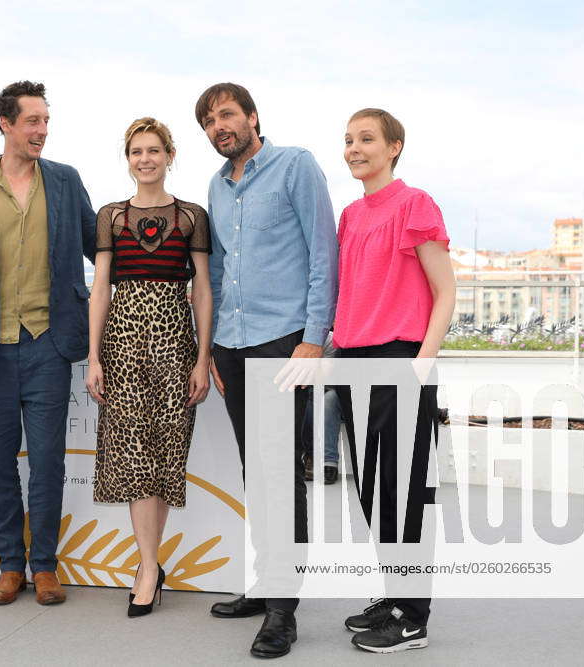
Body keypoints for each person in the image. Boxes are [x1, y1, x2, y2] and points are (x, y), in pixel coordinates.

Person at [195, 82, 338, 659]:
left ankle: (283, 610)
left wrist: (312, 339)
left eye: (226, 114)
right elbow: (221, 269)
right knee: (259, 472)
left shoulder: (295, 166)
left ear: (253, 117)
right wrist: (212, 348)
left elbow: (323, 253)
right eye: (208, 120)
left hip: (284, 343)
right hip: (233, 343)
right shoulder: (216, 185)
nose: (218, 126)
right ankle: (268, 582)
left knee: (280, 474)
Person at [0, 81, 96, 606]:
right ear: (6, 124)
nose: (42, 131)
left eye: (46, 121)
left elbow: (99, 246)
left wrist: (157, 275)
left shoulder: (64, 180)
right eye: (33, 121)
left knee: (49, 462)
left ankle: (45, 566)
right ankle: (10, 565)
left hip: (49, 345)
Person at [332, 108, 455, 653]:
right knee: (373, 490)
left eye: (366, 139)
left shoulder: (415, 205)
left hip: (400, 359)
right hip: (353, 362)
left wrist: (421, 363)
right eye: (348, 141)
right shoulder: (351, 216)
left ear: (394, 146)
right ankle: (395, 594)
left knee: (404, 491)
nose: (354, 149)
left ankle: (414, 617)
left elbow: (445, 292)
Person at [85, 117, 213, 618]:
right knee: (135, 458)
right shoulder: (111, 217)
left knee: (164, 456)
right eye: (136, 151)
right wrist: (94, 357)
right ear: (128, 158)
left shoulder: (191, 217)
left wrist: (202, 358)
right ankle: (147, 568)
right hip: (122, 343)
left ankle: (149, 566)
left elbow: (202, 289)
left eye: (154, 150)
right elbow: (101, 289)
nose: (145, 159)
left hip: (175, 344)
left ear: (169, 155)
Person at [301, 334, 341, 483]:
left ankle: (327, 462)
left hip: (329, 390)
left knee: (322, 396)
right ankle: (309, 456)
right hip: (306, 388)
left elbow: (324, 378)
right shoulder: (285, 342)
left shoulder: (329, 341)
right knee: (306, 395)